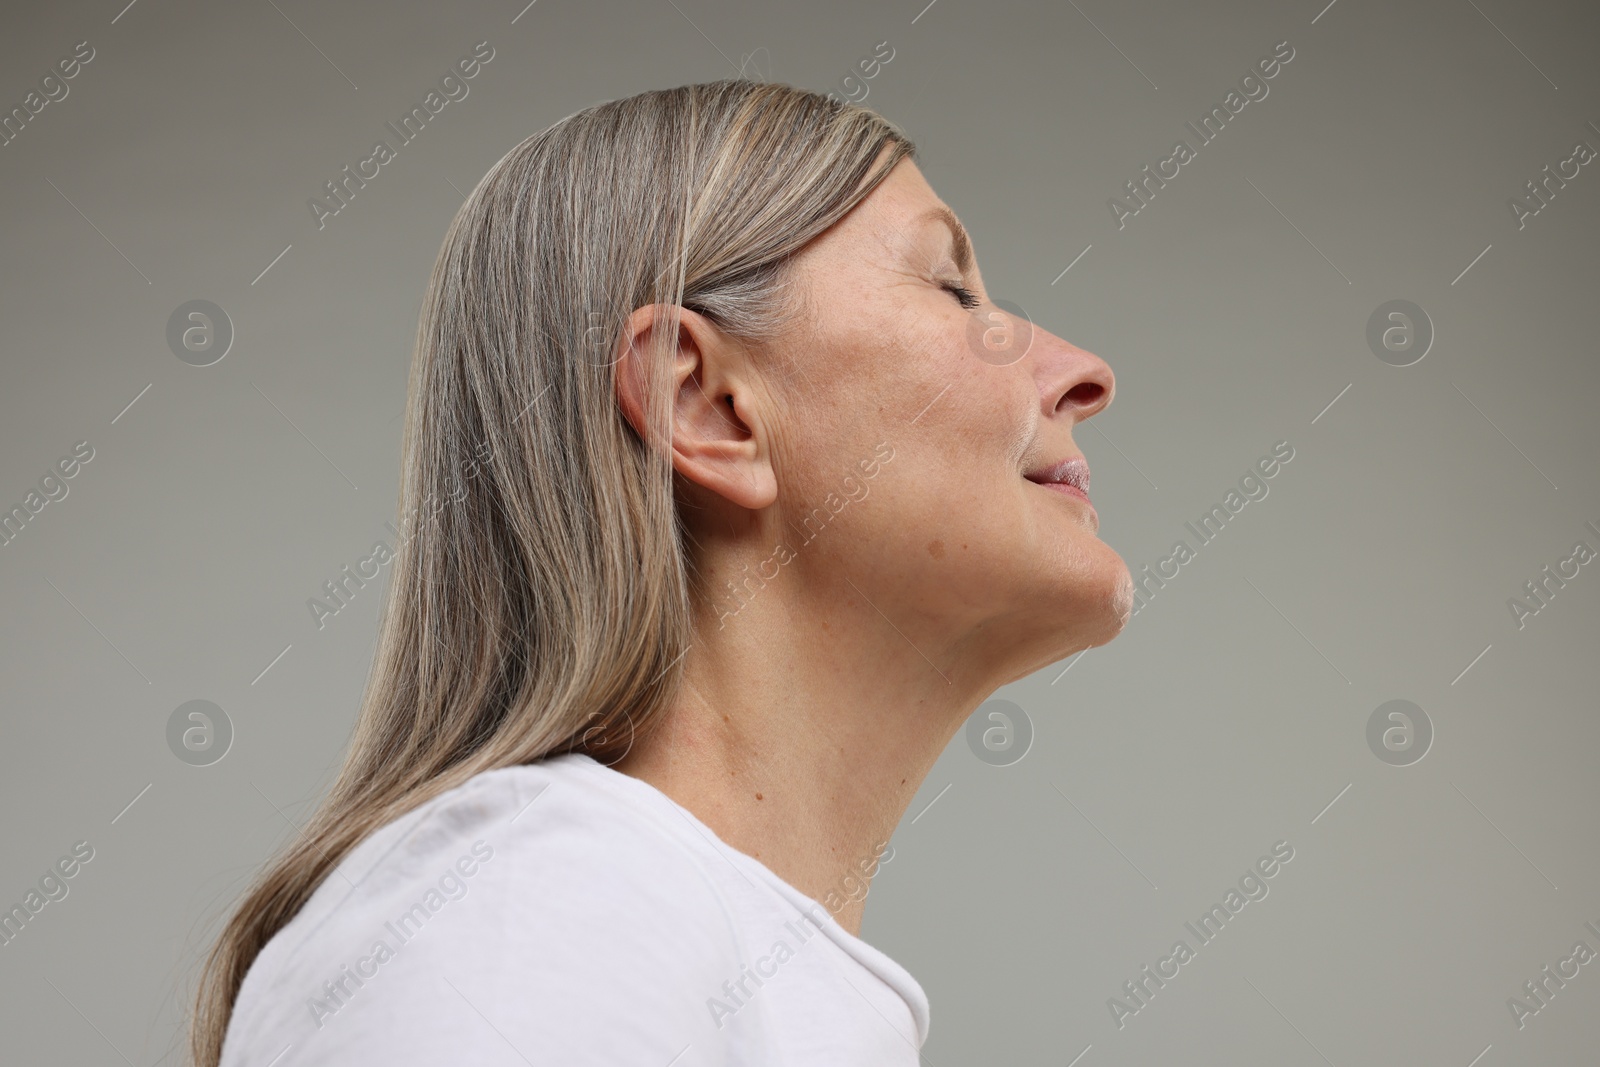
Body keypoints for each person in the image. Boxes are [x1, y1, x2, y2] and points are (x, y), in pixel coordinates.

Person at [193, 78, 1130, 1067]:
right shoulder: (534, 913)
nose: (1085, 373)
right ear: (706, 405)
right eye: (952, 291)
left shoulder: (620, 927)